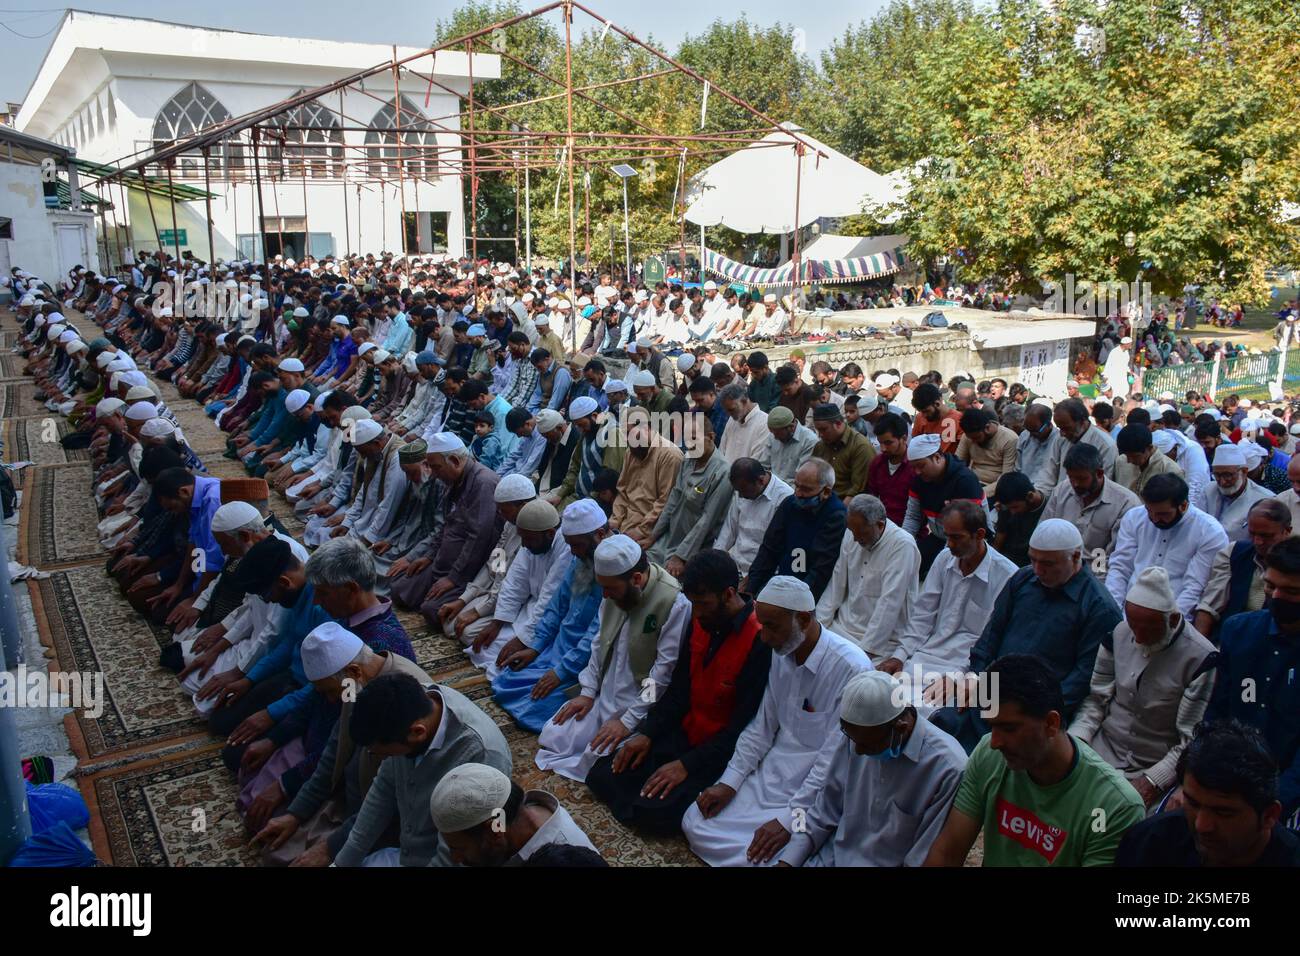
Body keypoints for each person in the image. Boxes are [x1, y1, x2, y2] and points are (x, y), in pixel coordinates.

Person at [681, 575, 870, 867]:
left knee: (770, 853)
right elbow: (762, 727)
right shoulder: (782, 651)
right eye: (761, 624)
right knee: (694, 819)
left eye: (771, 626)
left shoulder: (851, 668)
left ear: (804, 619)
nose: (764, 637)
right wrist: (731, 781)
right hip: (772, 774)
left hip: (816, 790)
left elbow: (835, 760)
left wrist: (787, 820)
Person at [585, 550, 770, 833]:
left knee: (655, 812)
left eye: (703, 604)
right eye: (693, 604)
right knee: (603, 775)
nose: (696, 613)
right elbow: (678, 690)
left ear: (729, 593)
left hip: (716, 751)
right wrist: (647, 733)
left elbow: (742, 726)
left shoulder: (759, 639)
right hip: (684, 731)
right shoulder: (702, 621)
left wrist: (685, 765)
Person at [924, 654, 1145, 866]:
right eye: (992, 726)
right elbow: (947, 852)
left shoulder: (1115, 806)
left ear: (1051, 723)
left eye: (1009, 728)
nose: (995, 742)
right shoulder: (988, 755)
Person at [932, 518, 1122, 750]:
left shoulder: (1099, 607)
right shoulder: (1023, 579)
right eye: (1033, 560)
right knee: (938, 733)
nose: (1038, 570)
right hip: (987, 691)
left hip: (1034, 712)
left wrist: (1030, 712)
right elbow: (991, 635)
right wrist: (975, 677)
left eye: (1048, 564)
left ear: (1074, 557)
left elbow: (1083, 680)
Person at [251, 621, 430, 867]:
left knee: (282, 859)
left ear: (354, 671)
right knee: (268, 828)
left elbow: (389, 804)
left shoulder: (403, 700)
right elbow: (334, 751)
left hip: (380, 817)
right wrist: (297, 813)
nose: (330, 700)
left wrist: (331, 847)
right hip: (350, 799)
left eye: (329, 692)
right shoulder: (353, 684)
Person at [535, 535, 691, 782]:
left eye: (610, 589)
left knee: (595, 760)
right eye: (602, 587)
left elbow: (661, 675)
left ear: (636, 579)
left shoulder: (673, 603)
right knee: (554, 734)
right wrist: (587, 693)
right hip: (605, 695)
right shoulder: (615, 592)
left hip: (638, 703)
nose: (605, 595)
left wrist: (628, 721)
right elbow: (599, 643)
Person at [775, 670, 966, 867]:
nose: (857, 751)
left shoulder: (947, 768)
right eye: (853, 741)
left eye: (867, 745)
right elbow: (823, 812)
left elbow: (921, 858)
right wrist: (787, 861)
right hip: (829, 859)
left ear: (901, 728)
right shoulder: (860, 735)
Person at [1070, 567, 1217, 809]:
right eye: (1132, 625)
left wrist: (1152, 781)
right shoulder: (1118, 634)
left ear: (1171, 620)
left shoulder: (1201, 659)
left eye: (1146, 628)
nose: (1136, 638)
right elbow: (1096, 701)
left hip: (1155, 764)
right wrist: (1076, 743)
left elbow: (1189, 738)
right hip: (1102, 749)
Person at [331, 672, 512, 867]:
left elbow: (455, 852)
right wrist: (342, 863)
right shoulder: (411, 706)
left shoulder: (480, 754)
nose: (383, 759)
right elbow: (383, 791)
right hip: (405, 854)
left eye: (384, 753)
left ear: (417, 733)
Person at [492, 499, 609, 731]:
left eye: (577, 546)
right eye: (570, 546)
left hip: (584, 661)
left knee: (534, 710)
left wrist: (561, 671)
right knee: (505, 680)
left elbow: (598, 634)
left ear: (600, 534)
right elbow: (556, 607)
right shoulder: (580, 559)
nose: (573, 553)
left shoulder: (614, 568)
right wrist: (535, 647)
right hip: (557, 648)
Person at [1206, 536, 1300, 823]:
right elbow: (1218, 712)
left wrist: (1270, 805)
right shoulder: (1239, 631)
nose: (1277, 597)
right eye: (1271, 586)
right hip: (1230, 775)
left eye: (1291, 591)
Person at [1116, 721, 1300, 866]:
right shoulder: (1148, 844)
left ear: (1269, 815)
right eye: (1193, 804)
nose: (1202, 825)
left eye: (1223, 813)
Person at [881, 500, 1018, 679]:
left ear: (979, 534)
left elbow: (992, 641)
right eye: (947, 537)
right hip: (925, 654)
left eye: (956, 537)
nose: (950, 544)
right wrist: (899, 656)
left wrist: (964, 677)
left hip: (965, 668)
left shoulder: (1007, 575)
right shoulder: (944, 558)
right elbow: (923, 614)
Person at [389, 432, 504, 627]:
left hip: (468, 568)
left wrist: (453, 578)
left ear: (454, 461)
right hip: (443, 559)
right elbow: (446, 524)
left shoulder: (483, 482)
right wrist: (428, 556)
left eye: (435, 467)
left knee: (431, 611)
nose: (432, 474)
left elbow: (479, 539)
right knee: (399, 588)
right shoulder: (452, 481)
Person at [1106, 474, 1228, 618]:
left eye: (1163, 514)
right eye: (1149, 511)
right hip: (1127, 611)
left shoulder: (1209, 531)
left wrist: (1170, 624)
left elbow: (1194, 588)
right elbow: (1120, 568)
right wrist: (1113, 612)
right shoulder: (1134, 517)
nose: (1154, 519)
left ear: (1183, 506)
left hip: (1174, 616)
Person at [430, 763, 600, 866]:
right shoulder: (513, 823)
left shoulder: (565, 861)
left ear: (495, 831)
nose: (455, 858)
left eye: (459, 849)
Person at [815, 494, 920, 660]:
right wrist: (818, 624)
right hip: (841, 627)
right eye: (852, 531)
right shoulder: (853, 534)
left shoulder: (902, 545)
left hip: (882, 642)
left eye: (861, 533)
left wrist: (866, 651)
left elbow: (890, 602)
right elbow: (837, 582)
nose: (855, 539)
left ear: (879, 525)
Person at [745, 458, 847, 601]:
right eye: (796, 486)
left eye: (805, 489)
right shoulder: (790, 503)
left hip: (810, 593)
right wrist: (752, 587)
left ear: (826, 492)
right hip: (782, 580)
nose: (798, 493)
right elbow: (769, 549)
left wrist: (797, 602)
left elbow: (821, 569)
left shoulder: (836, 516)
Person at [646, 412, 732, 576]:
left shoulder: (723, 472)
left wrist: (681, 556)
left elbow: (707, 520)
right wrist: (653, 536)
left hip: (695, 547)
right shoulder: (688, 460)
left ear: (711, 437)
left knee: (664, 581)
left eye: (694, 438)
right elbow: (673, 500)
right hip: (669, 537)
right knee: (641, 565)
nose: (690, 444)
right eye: (686, 439)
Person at [1195, 498, 1293, 641]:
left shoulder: (1294, 566)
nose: (1258, 542)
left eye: (1266, 536)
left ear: (1287, 531)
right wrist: (1199, 647)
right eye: (1252, 534)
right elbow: (1209, 606)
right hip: (1229, 639)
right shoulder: (1234, 552)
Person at [1039, 442, 1140, 569]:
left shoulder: (1125, 504)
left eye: (1081, 479)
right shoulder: (1061, 491)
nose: (1075, 484)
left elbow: (1116, 560)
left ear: (1099, 473)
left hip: (1097, 575)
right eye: (1071, 478)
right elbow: (1044, 532)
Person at [901, 432, 987, 574]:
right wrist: (903, 545)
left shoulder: (965, 480)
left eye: (921, 466)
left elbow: (968, 527)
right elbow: (912, 517)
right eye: (913, 467)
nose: (917, 472)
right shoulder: (918, 481)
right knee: (911, 565)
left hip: (968, 540)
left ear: (937, 457)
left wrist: (945, 560)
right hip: (939, 536)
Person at [610, 411, 684, 547]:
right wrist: (615, 520)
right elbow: (622, 491)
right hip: (624, 524)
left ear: (646, 428)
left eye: (629, 433)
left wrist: (641, 530)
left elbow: (666, 502)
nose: (626, 439)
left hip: (652, 530)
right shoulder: (631, 451)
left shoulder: (670, 456)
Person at [712, 458, 793, 577]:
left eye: (744, 491)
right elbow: (728, 532)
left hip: (764, 573)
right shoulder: (742, 491)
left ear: (761, 480)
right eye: (738, 491)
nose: (741, 495)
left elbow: (777, 550)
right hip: (736, 566)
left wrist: (752, 579)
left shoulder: (784, 498)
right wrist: (715, 559)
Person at [1032, 398, 1117, 495]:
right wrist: (1039, 495)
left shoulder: (1105, 445)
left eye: (1066, 428)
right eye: (1059, 428)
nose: (1062, 434)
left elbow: (1104, 485)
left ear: (1082, 422)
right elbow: (1048, 474)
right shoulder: (1060, 439)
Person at [1194, 441, 1272, 543]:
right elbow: (1196, 525)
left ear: (1244, 471)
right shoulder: (1208, 490)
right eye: (1217, 475)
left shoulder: (1263, 500)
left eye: (1228, 475)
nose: (1222, 481)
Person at [810, 403, 874, 498]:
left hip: (844, 504)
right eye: (818, 431)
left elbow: (856, 491)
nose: (820, 435)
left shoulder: (860, 447)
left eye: (823, 430)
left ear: (838, 424)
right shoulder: (820, 446)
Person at [956, 407, 1018, 497]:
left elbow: (1006, 478)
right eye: (971, 438)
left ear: (987, 427)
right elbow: (957, 463)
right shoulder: (968, 437)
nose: (974, 441)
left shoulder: (1010, 439)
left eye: (977, 438)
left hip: (995, 488)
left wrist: (979, 493)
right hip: (971, 482)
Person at [865, 412, 914, 525]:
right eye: (880, 443)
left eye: (888, 443)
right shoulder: (876, 463)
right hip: (880, 525)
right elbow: (872, 497)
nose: (883, 449)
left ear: (904, 438)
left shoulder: (915, 466)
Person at [990, 471, 1045, 567]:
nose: (1012, 512)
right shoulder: (1007, 506)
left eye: (1015, 507)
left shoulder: (1048, 509)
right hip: (1006, 560)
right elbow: (999, 540)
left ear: (1030, 496)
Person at [1115, 423, 1185, 496]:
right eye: (1126, 455)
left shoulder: (1170, 470)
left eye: (1135, 456)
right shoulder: (1121, 461)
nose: (1129, 461)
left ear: (1149, 448)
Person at [717, 382, 769, 465]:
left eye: (731, 409)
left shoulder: (764, 422)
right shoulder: (732, 419)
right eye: (726, 410)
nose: (728, 414)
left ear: (744, 401)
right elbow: (721, 452)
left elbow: (755, 463)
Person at [765, 405, 818, 484]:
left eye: (778, 433)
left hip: (793, 489)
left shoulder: (809, 441)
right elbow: (764, 465)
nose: (775, 437)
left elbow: (802, 477)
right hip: (771, 485)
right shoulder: (773, 436)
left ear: (792, 427)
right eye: (772, 433)